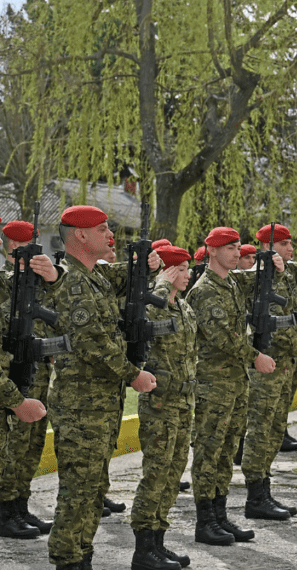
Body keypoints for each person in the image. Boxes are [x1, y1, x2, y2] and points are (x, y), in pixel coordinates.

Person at [46, 205, 160, 570]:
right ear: (80, 235)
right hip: (81, 406)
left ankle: (83, 557)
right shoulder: (75, 281)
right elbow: (91, 342)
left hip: (98, 404)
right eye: (103, 229)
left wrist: (147, 262)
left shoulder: (93, 276)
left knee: (94, 491)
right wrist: (132, 375)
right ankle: (69, 560)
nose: (109, 235)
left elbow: (124, 275)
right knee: (78, 493)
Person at [185, 226, 278, 547]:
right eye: (229, 248)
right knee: (209, 452)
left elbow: (256, 280)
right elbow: (222, 337)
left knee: (226, 452)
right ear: (211, 251)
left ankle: (220, 514)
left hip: (234, 383)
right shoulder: (205, 290)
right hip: (214, 384)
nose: (237, 252)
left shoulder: (231, 284)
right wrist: (256, 357)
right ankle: (205, 520)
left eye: (238, 247)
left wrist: (273, 263)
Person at [241, 224, 297, 519]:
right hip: (267, 364)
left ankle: (264, 492)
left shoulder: (283, 275)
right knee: (260, 431)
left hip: (283, 365)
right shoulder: (259, 278)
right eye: (285, 244)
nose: (291, 249)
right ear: (266, 247)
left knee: (275, 431)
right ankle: (255, 496)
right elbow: (280, 322)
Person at [130, 246, 197, 570]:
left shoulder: (183, 307)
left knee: (172, 476)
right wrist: (159, 285)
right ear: (168, 272)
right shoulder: (153, 303)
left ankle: (158, 542)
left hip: (183, 404)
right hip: (159, 404)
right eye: (181, 270)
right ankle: (143, 550)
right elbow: (142, 321)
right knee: (155, 475)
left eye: (188, 269)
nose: (188, 275)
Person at [0, 220, 55, 539]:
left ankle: (20, 506)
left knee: (31, 447)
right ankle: (6, 511)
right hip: (10, 380)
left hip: (37, 374)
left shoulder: (39, 283)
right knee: (12, 449)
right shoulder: (6, 284)